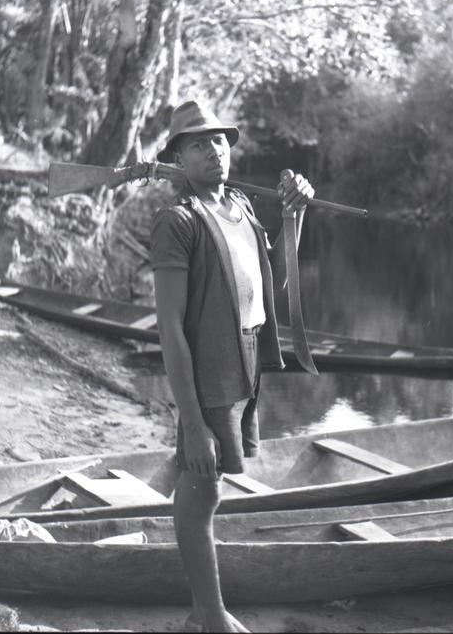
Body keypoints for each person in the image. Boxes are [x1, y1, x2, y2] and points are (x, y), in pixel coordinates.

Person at [150, 100, 314, 633]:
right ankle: (209, 615)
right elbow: (170, 329)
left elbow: (275, 290)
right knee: (202, 487)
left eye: (219, 140)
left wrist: (294, 215)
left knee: (203, 480)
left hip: (247, 364)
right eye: (198, 143)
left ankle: (206, 610)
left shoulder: (241, 209)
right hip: (211, 366)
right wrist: (193, 423)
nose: (214, 150)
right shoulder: (177, 222)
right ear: (177, 157)